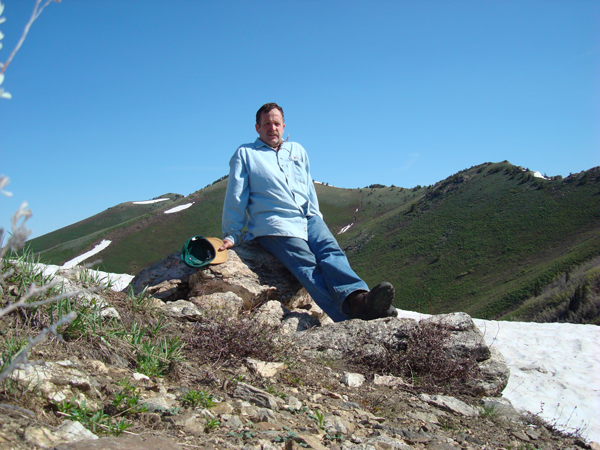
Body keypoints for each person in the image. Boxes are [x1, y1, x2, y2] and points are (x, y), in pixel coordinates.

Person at [219, 102, 396, 322]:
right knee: (307, 265)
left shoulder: (298, 150)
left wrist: (317, 219)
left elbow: (309, 188)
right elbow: (236, 196)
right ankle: (352, 318)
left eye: (276, 123)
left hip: (308, 217)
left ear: (283, 126)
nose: (271, 128)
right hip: (274, 223)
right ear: (257, 128)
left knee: (331, 252)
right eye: (266, 124)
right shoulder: (246, 154)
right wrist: (232, 234)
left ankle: (359, 298)